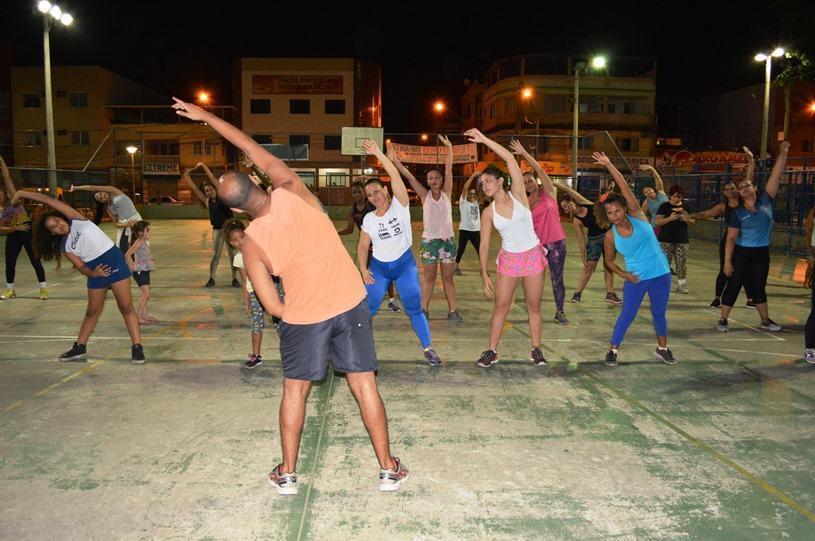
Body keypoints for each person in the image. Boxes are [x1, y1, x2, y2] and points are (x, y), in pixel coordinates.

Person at [172, 96, 408, 494]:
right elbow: (250, 146)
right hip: (349, 303)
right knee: (364, 384)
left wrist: (297, 312)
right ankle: (387, 469)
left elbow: (272, 306)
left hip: (304, 319)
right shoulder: (291, 188)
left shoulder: (250, 243)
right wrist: (206, 116)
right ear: (258, 182)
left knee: (295, 392)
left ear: (235, 210)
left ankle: (288, 474)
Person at [17, 189, 144, 363]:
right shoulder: (65, 247)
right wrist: (93, 273)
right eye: (53, 227)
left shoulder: (77, 220)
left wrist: (22, 193)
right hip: (96, 271)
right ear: (52, 233)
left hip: (114, 261)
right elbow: (81, 267)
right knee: (92, 311)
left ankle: (137, 347)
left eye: (56, 220)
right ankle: (80, 348)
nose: (58, 225)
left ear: (61, 217)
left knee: (126, 307)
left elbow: (47, 199)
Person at [464, 130, 547, 368]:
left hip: (532, 256)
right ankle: (492, 351)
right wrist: (483, 273)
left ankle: (536, 349)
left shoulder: (519, 195)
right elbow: (485, 244)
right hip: (509, 260)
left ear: (500, 181)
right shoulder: (488, 212)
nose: (485, 185)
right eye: (482, 183)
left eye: (488, 180)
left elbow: (510, 160)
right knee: (501, 306)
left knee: (534, 305)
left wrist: (484, 139)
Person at [357, 140, 441, 367]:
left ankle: (428, 347)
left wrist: (378, 154)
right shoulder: (369, 219)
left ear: (385, 190)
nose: (374, 196)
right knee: (367, 309)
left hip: (404, 266)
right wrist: (363, 269)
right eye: (369, 195)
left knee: (413, 307)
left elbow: (395, 175)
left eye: (376, 191)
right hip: (379, 269)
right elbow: (363, 246)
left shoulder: (400, 205)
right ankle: (358, 348)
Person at [594, 152, 675, 367]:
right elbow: (609, 262)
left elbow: (624, 186)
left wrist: (610, 164)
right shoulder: (611, 236)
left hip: (661, 273)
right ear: (606, 216)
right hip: (636, 277)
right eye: (610, 213)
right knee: (627, 314)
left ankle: (663, 348)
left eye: (618, 210)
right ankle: (613, 350)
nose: (616, 215)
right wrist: (624, 275)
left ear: (623, 208)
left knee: (659, 312)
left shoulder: (638, 214)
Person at [717, 142, 790, 333]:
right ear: (740, 194)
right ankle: (723, 319)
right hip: (741, 253)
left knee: (758, 286)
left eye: (747, 185)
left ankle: (765, 319)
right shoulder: (738, 213)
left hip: (761, 253)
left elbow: (776, 174)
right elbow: (731, 239)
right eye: (741, 188)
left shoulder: (767, 199)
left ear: (754, 187)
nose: (745, 189)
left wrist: (783, 152)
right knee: (734, 284)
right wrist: (727, 261)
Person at [391, 136, 463, 322]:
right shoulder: (424, 195)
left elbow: (449, 168)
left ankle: (452, 310)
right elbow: (408, 176)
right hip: (429, 243)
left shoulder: (447, 192)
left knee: (448, 279)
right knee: (429, 278)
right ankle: (424, 310)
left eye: (437, 177)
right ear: (428, 181)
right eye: (430, 178)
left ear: (441, 179)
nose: (434, 180)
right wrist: (395, 160)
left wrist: (449, 148)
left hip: (447, 242)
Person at [511, 141, 570, 325]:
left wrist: (524, 153)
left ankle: (560, 311)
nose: (528, 183)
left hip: (557, 243)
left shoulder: (548, 192)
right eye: (524, 181)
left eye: (530, 180)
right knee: (535, 281)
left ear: (535, 181)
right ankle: (533, 311)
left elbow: (540, 170)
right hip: (537, 246)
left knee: (557, 278)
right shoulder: (525, 203)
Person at [692, 147, 752, 308]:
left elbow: (749, 178)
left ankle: (751, 299)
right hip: (729, 240)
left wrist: (751, 160)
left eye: (733, 188)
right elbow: (705, 214)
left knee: (746, 270)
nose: (730, 190)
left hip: (745, 240)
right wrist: (688, 216)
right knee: (725, 269)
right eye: (727, 189)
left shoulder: (745, 202)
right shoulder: (722, 206)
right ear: (724, 193)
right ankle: (718, 297)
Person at [337, 179, 400, 312]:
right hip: (366, 246)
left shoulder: (371, 206)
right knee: (365, 272)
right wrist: (335, 233)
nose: (356, 195)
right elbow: (349, 229)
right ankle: (366, 300)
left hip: (379, 244)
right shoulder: (353, 209)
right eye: (354, 193)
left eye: (359, 192)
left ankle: (392, 300)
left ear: (364, 193)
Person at [181, 163, 240, 288]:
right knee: (216, 254)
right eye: (206, 191)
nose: (208, 192)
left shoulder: (223, 197)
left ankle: (235, 279)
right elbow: (194, 188)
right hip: (218, 230)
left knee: (232, 255)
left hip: (230, 230)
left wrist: (203, 166)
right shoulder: (207, 201)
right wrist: (187, 176)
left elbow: (213, 179)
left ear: (215, 189)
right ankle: (212, 278)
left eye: (210, 189)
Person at [0, 156, 48, 300]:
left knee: (35, 261)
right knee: (9, 263)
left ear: (5, 195)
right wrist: (15, 228)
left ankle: (43, 289)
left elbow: (7, 178)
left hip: (28, 233)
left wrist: (2, 162)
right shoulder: (1, 211)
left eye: (0, 193)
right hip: (13, 235)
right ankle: (10, 290)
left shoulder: (14, 201)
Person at [559, 196, 620, 305]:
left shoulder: (587, 204)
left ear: (572, 201)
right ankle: (577, 294)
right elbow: (581, 240)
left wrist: (557, 185)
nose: (568, 206)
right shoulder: (576, 220)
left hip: (608, 236)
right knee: (589, 267)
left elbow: (571, 192)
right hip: (594, 240)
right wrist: (584, 258)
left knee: (609, 265)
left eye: (568, 202)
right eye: (565, 207)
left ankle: (610, 294)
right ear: (566, 211)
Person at [224, 218, 266, 369]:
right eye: (235, 240)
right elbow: (245, 280)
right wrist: (246, 299)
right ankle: (256, 355)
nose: (240, 242)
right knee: (256, 324)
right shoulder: (238, 258)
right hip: (255, 293)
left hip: (270, 290)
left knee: (281, 324)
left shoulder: (258, 249)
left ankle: (292, 352)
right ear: (230, 243)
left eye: (242, 237)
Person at [69, 183, 142, 254]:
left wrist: (76, 188)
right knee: (123, 251)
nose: (102, 196)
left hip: (136, 220)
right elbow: (116, 224)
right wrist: (126, 224)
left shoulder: (114, 191)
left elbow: (92, 187)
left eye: (100, 194)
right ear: (101, 202)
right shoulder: (109, 208)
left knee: (140, 248)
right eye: (100, 199)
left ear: (102, 190)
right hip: (124, 226)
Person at [654, 185, 695, 294]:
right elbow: (657, 222)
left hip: (682, 239)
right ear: (670, 196)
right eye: (675, 196)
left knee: (681, 263)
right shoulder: (664, 206)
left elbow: (693, 222)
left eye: (680, 196)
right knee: (665, 262)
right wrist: (670, 218)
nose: (677, 199)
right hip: (665, 239)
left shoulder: (686, 207)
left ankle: (681, 284)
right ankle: (664, 284)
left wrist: (687, 219)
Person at [124, 220, 157, 325]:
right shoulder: (138, 242)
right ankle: (138, 317)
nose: (150, 232)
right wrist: (131, 267)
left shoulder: (143, 242)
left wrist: (149, 259)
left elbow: (142, 255)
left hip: (144, 269)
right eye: (147, 230)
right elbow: (127, 255)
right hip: (139, 271)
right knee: (145, 294)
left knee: (146, 294)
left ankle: (144, 315)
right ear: (140, 233)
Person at [454, 169, 482, 275]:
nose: (472, 195)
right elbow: (465, 188)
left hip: (475, 230)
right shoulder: (463, 202)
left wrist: (481, 178)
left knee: (480, 250)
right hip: (465, 229)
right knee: (461, 249)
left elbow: (480, 190)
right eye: (470, 193)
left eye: (474, 194)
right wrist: (473, 176)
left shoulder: (476, 202)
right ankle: (455, 268)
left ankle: (483, 270)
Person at [639, 164, 669, 230]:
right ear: (645, 195)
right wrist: (646, 226)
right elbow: (643, 215)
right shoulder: (646, 202)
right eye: (646, 192)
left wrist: (652, 169)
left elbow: (658, 178)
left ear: (653, 189)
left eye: (649, 190)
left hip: (669, 223)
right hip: (656, 226)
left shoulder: (661, 192)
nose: (648, 192)